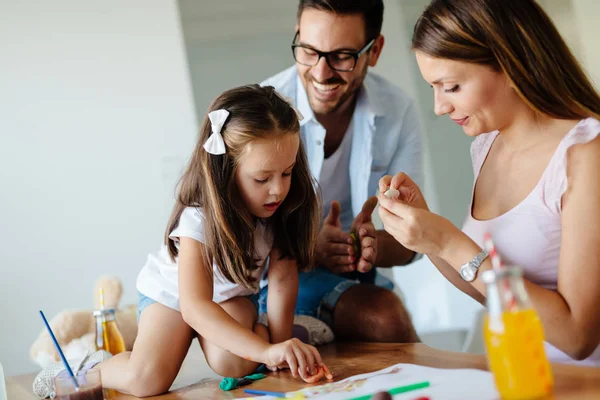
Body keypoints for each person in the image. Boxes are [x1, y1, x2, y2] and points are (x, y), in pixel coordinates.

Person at [34, 84, 329, 398]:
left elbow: (282, 280)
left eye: (287, 173)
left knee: (234, 361)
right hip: (174, 297)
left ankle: (280, 333)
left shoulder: (282, 209)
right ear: (226, 170)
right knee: (146, 381)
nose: (278, 190)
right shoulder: (198, 219)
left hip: (230, 298)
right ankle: (82, 370)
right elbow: (195, 306)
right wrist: (266, 351)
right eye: (262, 178)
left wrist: (281, 349)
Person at [377, 0, 600, 365]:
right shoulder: (486, 146)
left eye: (450, 86)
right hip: (521, 376)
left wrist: (449, 241)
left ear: (510, 64)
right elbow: (490, 290)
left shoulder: (587, 154)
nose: (439, 107)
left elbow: (577, 336)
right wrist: (426, 234)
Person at [260, 0, 423, 343]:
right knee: (383, 317)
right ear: (297, 35)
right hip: (270, 279)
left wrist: (373, 245)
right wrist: (309, 249)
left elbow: (414, 242)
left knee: (388, 319)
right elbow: (231, 241)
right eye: (308, 51)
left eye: (342, 56)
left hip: (360, 280)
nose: (321, 73)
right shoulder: (260, 112)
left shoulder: (398, 111)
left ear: (374, 51)